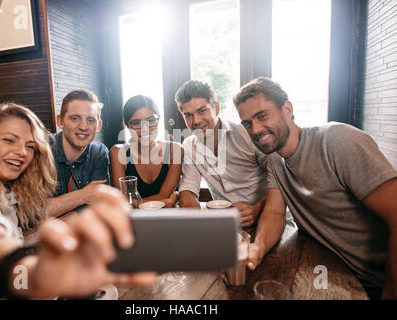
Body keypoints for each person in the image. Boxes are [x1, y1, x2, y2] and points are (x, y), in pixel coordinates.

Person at [0, 103, 155, 299]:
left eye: (30, 146)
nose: (21, 152)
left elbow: (19, 275)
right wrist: (27, 271)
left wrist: (41, 278)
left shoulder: (7, 192)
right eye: (9, 140)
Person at [233, 77, 397, 300]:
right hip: (334, 273)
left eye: (262, 116)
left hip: (381, 281)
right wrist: (257, 248)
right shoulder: (274, 159)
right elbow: (274, 212)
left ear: (287, 109)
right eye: (247, 124)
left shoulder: (338, 140)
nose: (256, 129)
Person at [175, 80, 268, 227]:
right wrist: (194, 222)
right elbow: (188, 190)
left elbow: (283, 179)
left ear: (216, 108)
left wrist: (257, 209)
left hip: (268, 218)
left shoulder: (247, 134)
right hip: (227, 227)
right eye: (188, 115)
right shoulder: (188, 146)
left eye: (202, 111)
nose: (196, 121)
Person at [44, 89, 111, 218]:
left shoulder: (99, 153)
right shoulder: (42, 149)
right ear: (60, 121)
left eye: (91, 120)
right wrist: (84, 195)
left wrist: (48, 227)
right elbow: (31, 212)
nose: (83, 126)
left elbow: (100, 206)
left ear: (99, 125)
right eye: (75, 118)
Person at [110, 95, 183, 207]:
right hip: (133, 222)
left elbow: (164, 194)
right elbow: (123, 203)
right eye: (136, 123)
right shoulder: (118, 152)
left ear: (158, 120)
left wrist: (136, 203)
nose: (145, 128)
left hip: (168, 220)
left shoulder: (176, 150)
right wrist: (167, 202)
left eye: (151, 120)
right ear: (127, 126)